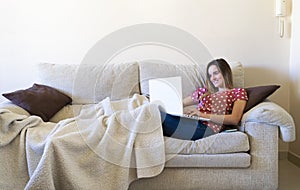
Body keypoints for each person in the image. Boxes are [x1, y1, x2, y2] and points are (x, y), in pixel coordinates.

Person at [160, 58, 248, 140]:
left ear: (225, 72)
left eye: (216, 73)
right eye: (210, 75)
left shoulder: (237, 92)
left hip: (208, 128)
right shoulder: (205, 91)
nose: (212, 78)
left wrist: (201, 115)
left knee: (159, 117)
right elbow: (180, 103)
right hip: (193, 123)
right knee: (157, 113)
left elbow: (234, 119)